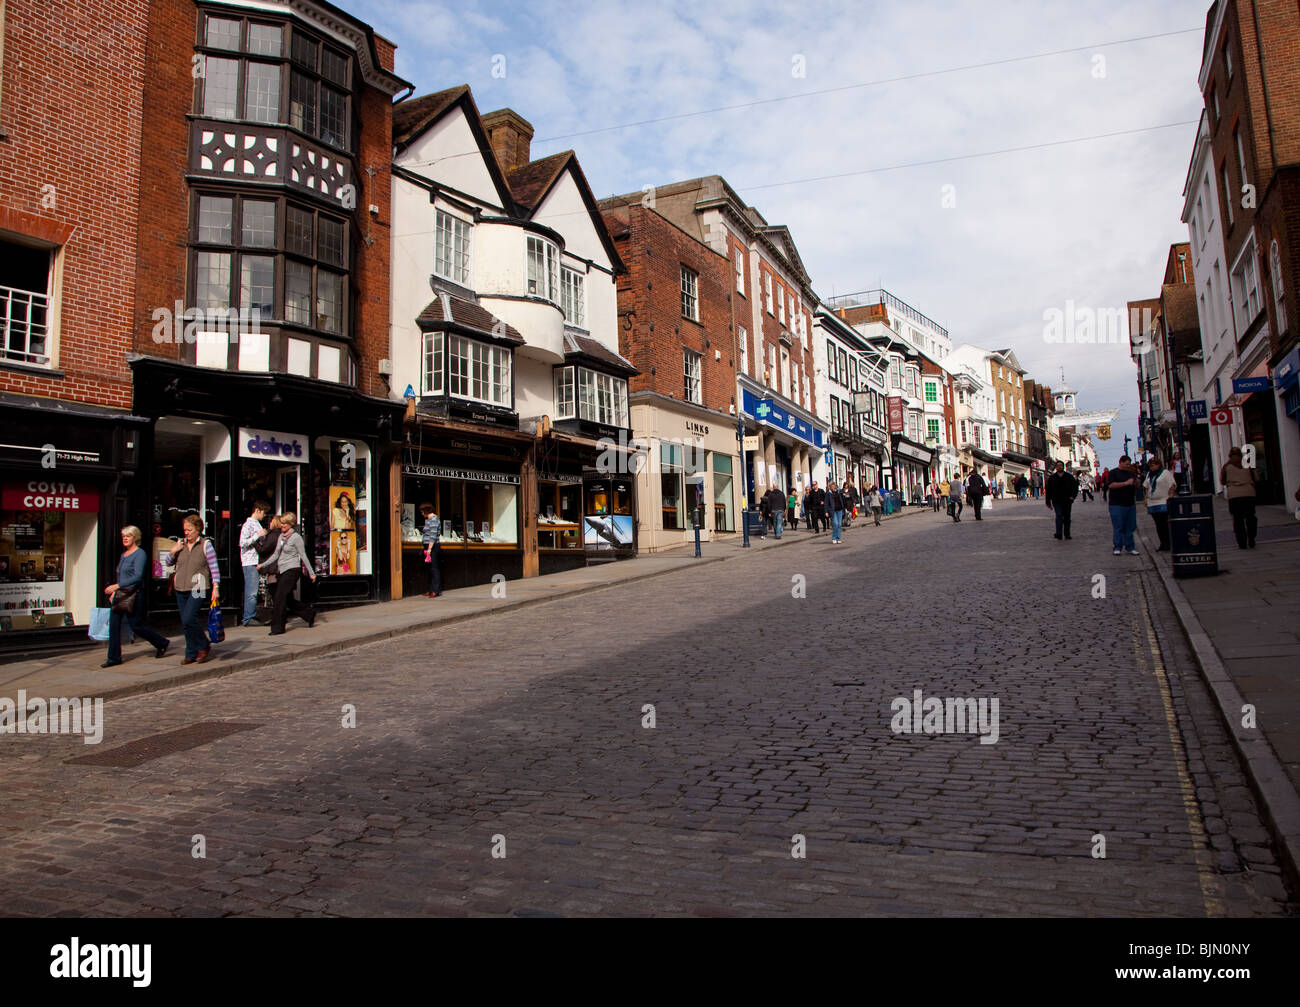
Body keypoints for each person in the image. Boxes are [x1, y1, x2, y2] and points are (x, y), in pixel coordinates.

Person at [102, 525, 170, 668]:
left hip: (134, 595)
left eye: (128, 536)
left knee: (136, 626)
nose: (125, 538)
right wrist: (116, 591)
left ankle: (161, 642)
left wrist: (117, 586)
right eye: (123, 536)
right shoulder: (123, 555)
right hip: (120, 595)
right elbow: (122, 576)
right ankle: (114, 658)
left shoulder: (140, 554)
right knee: (114, 626)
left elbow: (137, 577)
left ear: (135, 538)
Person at [168, 513, 220, 665]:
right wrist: (173, 551)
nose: (186, 532)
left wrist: (216, 587)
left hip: (198, 586)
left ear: (198, 529)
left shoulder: (205, 544)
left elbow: (214, 567)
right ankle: (190, 653)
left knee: (189, 618)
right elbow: (169, 562)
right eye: (185, 529)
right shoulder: (181, 544)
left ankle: (203, 645)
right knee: (185, 623)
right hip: (180, 587)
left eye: (189, 529)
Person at [259, 511, 317, 633]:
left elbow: (303, 556)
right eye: (281, 523)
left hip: (292, 570)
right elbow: (275, 554)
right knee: (287, 599)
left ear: (291, 524)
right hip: (282, 570)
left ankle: (277, 628)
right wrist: (262, 565)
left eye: (285, 524)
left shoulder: (296, 538)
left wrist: (312, 573)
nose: (282, 526)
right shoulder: (281, 536)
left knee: (280, 597)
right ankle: (309, 613)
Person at [237, 499, 271, 627]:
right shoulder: (248, 525)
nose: (265, 515)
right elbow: (242, 543)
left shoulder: (257, 524)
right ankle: (248, 617)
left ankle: (251, 614)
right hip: (249, 561)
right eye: (263, 513)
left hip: (257, 561)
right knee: (251, 591)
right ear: (257, 510)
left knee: (254, 590)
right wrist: (257, 535)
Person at [1219, 447, 1257, 548]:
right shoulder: (1247, 464)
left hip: (1234, 496)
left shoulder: (1226, 466)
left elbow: (1222, 481)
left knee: (1237, 519)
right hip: (1249, 493)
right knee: (1251, 517)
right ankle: (1251, 537)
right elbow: (1255, 477)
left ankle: (1242, 542)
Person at [1106, 455, 1140, 555]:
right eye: (1126, 464)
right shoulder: (1113, 472)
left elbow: (1136, 485)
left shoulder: (1131, 473)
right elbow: (1111, 485)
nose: (1128, 466)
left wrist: (1136, 482)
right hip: (1117, 504)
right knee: (1118, 526)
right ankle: (1117, 547)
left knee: (1130, 526)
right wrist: (1125, 483)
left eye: (1129, 464)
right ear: (1120, 462)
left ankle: (1130, 547)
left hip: (1130, 503)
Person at [1145, 456, 1177, 551]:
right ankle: (1162, 543)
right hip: (1152, 502)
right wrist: (1146, 499)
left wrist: (1171, 495)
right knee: (1158, 525)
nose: (1151, 467)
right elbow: (1147, 487)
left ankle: (1168, 543)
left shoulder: (1165, 473)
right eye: (1150, 466)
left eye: (1153, 465)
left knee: (1164, 523)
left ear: (1158, 465)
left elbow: (1173, 485)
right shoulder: (1149, 474)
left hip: (1163, 501)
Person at [1044, 461, 1079, 541]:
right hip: (1056, 500)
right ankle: (1059, 533)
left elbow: (1074, 487)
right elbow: (1048, 490)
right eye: (1058, 465)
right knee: (1059, 516)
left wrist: (1073, 497)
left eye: (1061, 465)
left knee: (1067, 517)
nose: (1059, 467)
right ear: (1056, 467)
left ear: (1063, 467)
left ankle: (1067, 534)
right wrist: (1048, 501)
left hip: (1067, 500)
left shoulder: (1069, 477)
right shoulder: (1052, 478)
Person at [419, 501, 442, 596]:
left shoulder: (434, 520)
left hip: (432, 546)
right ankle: (431, 588)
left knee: (434, 568)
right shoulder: (429, 520)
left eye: (422, 511)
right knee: (429, 568)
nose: (421, 513)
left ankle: (435, 590)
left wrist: (429, 549)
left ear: (426, 510)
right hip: (428, 546)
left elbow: (433, 535)